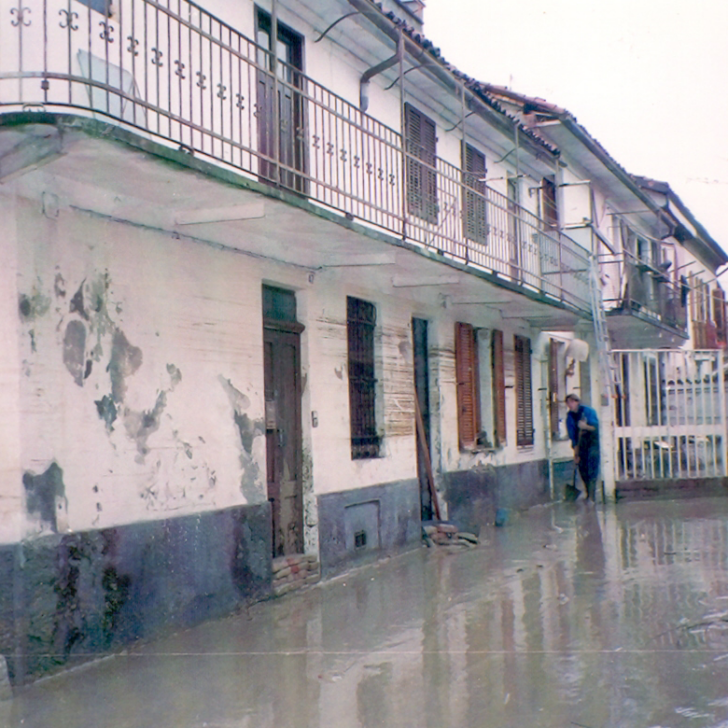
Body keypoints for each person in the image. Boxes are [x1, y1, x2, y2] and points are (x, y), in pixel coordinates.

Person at [565, 393, 600, 502]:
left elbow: (596, 428)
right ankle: (587, 491)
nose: (570, 405)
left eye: (572, 402)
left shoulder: (588, 412)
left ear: (577, 402)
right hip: (581, 445)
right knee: (582, 469)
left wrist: (586, 427)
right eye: (568, 403)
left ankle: (592, 496)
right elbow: (573, 436)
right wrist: (576, 453)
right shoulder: (570, 417)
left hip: (592, 443)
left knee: (591, 468)